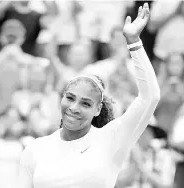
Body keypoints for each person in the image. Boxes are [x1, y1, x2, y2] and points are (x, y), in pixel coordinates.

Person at [18, 3, 160, 188]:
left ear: (98, 109)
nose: (74, 108)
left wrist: (134, 42)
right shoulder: (36, 149)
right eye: (70, 98)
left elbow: (150, 97)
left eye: (86, 104)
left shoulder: (111, 139)